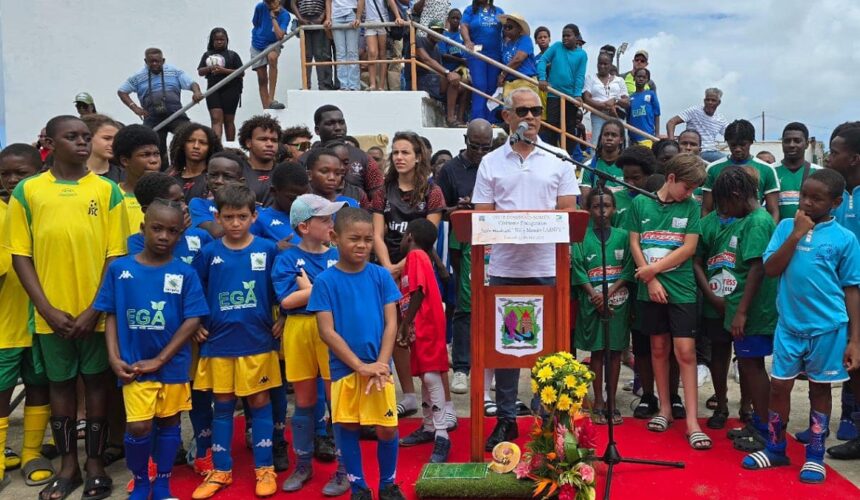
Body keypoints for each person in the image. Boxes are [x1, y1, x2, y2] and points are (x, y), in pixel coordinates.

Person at [4, 116, 128, 500]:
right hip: (50, 316)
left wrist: (95, 308)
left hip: (95, 313)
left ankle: (94, 465)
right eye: (70, 137)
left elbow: (115, 254)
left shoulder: (107, 191)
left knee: (96, 385)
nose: (81, 143)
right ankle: (67, 466)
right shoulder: (29, 191)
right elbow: (21, 254)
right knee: (59, 386)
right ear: (49, 142)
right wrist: (45, 308)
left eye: (85, 137)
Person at [471, 88, 579, 450]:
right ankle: (505, 419)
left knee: (550, 349)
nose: (530, 117)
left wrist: (530, 223)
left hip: (550, 268)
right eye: (522, 111)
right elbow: (481, 216)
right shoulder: (491, 162)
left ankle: (549, 419)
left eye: (536, 110)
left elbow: (567, 209)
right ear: (507, 117)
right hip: (505, 269)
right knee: (508, 350)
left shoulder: (558, 157)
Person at [741, 169, 860, 484]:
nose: (806, 202)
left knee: (820, 389)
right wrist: (795, 234)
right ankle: (776, 447)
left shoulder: (845, 239)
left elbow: (851, 289)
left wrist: (855, 340)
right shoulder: (784, 227)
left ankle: (815, 455)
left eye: (816, 198)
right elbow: (770, 269)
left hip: (828, 329)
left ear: (835, 203)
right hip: (789, 326)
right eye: (804, 195)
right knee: (780, 386)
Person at [95, 199, 208, 500]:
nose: (163, 237)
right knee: (140, 426)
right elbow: (111, 314)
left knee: (170, 422)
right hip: (133, 365)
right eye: (157, 229)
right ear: (143, 228)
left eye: (172, 231)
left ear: (179, 236)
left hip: (171, 365)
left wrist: (160, 358)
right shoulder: (121, 269)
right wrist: (113, 356)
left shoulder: (185, 273)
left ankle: (163, 484)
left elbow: (193, 318)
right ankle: (142, 480)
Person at [306, 207, 406, 500]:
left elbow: (391, 323)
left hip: (379, 371)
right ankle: (358, 486)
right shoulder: (325, 281)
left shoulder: (380, 276)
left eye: (367, 239)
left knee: (386, 428)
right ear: (335, 238)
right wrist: (359, 366)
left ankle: (387, 483)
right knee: (347, 426)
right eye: (354, 239)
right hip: (344, 370)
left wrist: (381, 364)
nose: (362, 245)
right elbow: (327, 332)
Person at [190, 185, 282, 499]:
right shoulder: (208, 253)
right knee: (223, 406)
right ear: (218, 216)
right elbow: (194, 292)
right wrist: (197, 324)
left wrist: (282, 315)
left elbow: (281, 288)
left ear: (253, 216)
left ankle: (265, 468)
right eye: (228, 217)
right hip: (218, 343)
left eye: (242, 216)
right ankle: (221, 470)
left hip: (257, 341)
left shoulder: (268, 250)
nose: (235, 223)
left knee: (259, 404)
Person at [625, 153, 711, 450]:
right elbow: (635, 242)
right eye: (687, 187)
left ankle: (692, 422)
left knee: (685, 352)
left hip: (682, 289)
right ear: (671, 178)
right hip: (650, 289)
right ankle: (664, 409)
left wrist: (654, 270)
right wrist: (649, 279)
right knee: (658, 348)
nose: (691, 194)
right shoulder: (640, 204)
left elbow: (689, 248)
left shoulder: (691, 208)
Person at [272, 194, 349, 494]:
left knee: (337, 402)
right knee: (303, 403)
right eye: (325, 219)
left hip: (331, 330)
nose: (332, 224)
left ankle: (343, 469)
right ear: (304, 227)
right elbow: (287, 300)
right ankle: (303, 465)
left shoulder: (336, 255)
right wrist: (319, 290)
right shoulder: (287, 259)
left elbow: (343, 293)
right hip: (299, 330)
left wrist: (310, 288)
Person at [694, 167, 776, 443]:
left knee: (753, 367)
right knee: (750, 366)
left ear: (737, 195)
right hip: (740, 309)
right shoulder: (750, 219)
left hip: (752, 312)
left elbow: (757, 269)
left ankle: (763, 429)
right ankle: (760, 427)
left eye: (724, 204)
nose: (723, 211)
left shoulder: (757, 221)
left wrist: (740, 312)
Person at [371, 132, 445, 418]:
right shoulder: (382, 192)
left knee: (422, 331)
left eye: (405, 152)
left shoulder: (432, 191)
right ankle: (409, 396)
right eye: (396, 152)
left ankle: (440, 406)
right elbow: (377, 233)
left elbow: (428, 237)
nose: (399, 157)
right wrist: (387, 266)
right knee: (395, 329)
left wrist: (401, 266)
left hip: (417, 267)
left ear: (418, 157)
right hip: (386, 268)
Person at [0, 144, 54, 490]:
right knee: (2, 390)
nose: (13, 180)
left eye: (22, 173)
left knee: (39, 387)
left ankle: (32, 451)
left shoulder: (46, 207)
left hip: (43, 322)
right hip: (4, 324)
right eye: (6, 174)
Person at [435, 119, 493, 394]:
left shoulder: (496, 165)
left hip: (494, 241)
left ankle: (491, 365)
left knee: (495, 305)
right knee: (463, 305)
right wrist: (455, 208)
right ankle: (461, 368)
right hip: (462, 243)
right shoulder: (450, 170)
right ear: (465, 139)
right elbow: (437, 207)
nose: (480, 152)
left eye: (486, 147)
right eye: (475, 146)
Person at [572, 190, 632, 426]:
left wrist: (609, 292)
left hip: (618, 302)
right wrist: (594, 294)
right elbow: (577, 267)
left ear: (614, 209)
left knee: (615, 350)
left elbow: (628, 267)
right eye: (597, 207)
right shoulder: (580, 238)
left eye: (607, 206)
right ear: (589, 210)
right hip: (591, 302)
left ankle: (612, 401)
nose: (603, 211)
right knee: (597, 351)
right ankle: (598, 401)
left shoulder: (624, 236)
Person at [395, 219, 451, 462]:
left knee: (430, 375)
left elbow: (419, 290)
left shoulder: (416, 256)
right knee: (424, 376)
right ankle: (429, 427)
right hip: (421, 325)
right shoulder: (417, 259)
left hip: (427, 323)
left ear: (409, 237)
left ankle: (442, 434)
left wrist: (406, 323)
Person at [824, 123, 860, 459]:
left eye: (835, 152)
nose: (829, 157)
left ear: (854, 158)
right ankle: (850, 422)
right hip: (836, 294)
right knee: (849, 361)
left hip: (856, 290)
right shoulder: (833, 195)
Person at [117, 48, 204, 158]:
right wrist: (135, 108)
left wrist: (196, 92)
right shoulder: (137, 77)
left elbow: (192, 84)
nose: (154, 64)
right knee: (152, 147)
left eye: (157, 61)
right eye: (151, 61)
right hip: (152, 118)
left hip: (175, 115)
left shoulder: (174, 71)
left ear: (163, 61)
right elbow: (122, 91)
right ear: (145, 61)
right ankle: (161, 172)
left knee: (190, 135)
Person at [702, 119, 780, 223]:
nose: (737, 149)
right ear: (727, 143)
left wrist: (768, 234)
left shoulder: (767, 169)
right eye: (733, 145)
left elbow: (773, 211)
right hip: (722, 233)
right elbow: (707, 209)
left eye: (743, 145)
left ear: (751, 142)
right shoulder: (713, 168)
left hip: (753, 230)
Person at [309, 105, 384, 197]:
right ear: (317, 130)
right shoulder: (305, 159)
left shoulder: (363, 158)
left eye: (341, 122)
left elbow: (378, 192)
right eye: (330, 123)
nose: (338, 128)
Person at [537, 23, 587, 157]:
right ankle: (553, 157)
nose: (565, 38)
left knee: (569, 130)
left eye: (568, 36)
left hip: (570, 98)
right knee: (552, 127)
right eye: (563, 35)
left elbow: (580, 76)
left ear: (576, 38)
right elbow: (542, 61)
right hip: (553, 96)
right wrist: (542, 78)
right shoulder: (557, 47)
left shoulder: (582, 55)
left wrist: (577, 95)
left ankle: (567, 159)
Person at [113, 124, 163, 236]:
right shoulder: (112, 196)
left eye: (156, 154)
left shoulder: (169, 196)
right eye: (146, 155)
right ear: (125, 161)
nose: (154, 160)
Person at [460, 0, 504, 121]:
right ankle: (477, 120)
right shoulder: (470, 10)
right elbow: (463, 26)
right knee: (480, 85)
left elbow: (506, 30)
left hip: (495, 55)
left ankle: (491, 121)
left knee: (492, 88)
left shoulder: (499, 11)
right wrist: (468, 41)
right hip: (477, 54)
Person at [416, 21, 466, 127]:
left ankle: (460, 120)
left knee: (466, 84)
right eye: (435, 30)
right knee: (452, 80)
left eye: (440, 31)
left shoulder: (437, 49)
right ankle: (450, 119)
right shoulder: (418, 40)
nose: (438, 33)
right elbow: (426, 59)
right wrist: (448, 73)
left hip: (434, 80)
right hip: (420, 80)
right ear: (428, 31)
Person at [198, 28, 244, 141]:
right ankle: (216, 145)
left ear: (226, 40)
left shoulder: (233, 55)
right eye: (216, 39)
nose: (219, 42)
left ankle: (230, 146)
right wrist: (210, 68)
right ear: (212, 41)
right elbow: (200, 71)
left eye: (222, 39)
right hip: (213, 90)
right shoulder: (207, 55)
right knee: (215, 119)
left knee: (228, 120)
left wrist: (223, 71)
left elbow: (241, 72)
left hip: (231, 89)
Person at [189, 151, 247, 238]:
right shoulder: (198, 204)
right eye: (214, 175)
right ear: (206, 179)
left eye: (227, 177)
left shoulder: (253, 209)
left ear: (241, 182)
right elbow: (216, 232)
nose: (219, 181)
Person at [251, 162, 308, 248]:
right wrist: (275, 249)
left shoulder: (310, 217)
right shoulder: (258, 219)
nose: (298, 203)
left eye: (303, 198)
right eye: (292, 198)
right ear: (273, 191)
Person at [666, 88, 728, 163]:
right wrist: (672, 143)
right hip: (697, 150)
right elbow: (671, 122)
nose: (710, 102)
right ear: (704, 100)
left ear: (718, 102)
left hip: (712, 151)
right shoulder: (695, 111)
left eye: (713, 100)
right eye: (707, 100)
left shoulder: (720, 119)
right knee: (728, 161)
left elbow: (731, 134)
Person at [774, 122, 821, 221]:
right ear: (782, 143)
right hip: (778, 233)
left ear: (807, 144)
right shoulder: (771, 171)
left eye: (797, 141)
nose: (791, 145)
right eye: (787, 141)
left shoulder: (819, 173)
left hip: (811, 233)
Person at [168, 123, 223, 203]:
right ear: (182, 145)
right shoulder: (170, 175)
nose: (196, 146)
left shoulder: (216, 180)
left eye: (203, 143)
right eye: (190, 141)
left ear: (210, 147)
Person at [251, 0, 290, 109]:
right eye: (267, 3)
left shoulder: (285, 15)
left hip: (273, 43)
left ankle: (271, 98)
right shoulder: (259, 7)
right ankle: (266, 107)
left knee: (272, 58)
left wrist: (273, 17)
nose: (270, 5)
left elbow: (279, 35)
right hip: (257, 44)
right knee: (262, 77)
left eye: (272, 2)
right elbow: (255, 23)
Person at [583, 52, 628, 142]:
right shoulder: (590, 78)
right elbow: (586, 98)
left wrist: (615, 100)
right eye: (600, 63)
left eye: (605, 64)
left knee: (619, 143)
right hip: (598, 114)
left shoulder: (619, 80)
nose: (602, 66)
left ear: (610, 65)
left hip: (616, 115)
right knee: (596, 142)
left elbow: (626, 102)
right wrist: (604, 106)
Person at [239, 115, 282, 207]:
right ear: (248, 143)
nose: (270, 144)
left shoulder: (285, 173)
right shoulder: (236, 171)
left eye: (274, 140)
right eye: (263, 139)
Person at [293, 0, 335, 90]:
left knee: (320, 55)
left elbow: (327, 3)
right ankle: (306, 85)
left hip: (319, 20)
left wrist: (321, 18)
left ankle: (323, 85)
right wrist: (300, 18)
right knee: (306, 55)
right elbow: (293, 3)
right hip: (303, 20)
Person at [364, 0, 405, 91]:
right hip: (369, 22)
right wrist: (358, 18)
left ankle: (381, 86)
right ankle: (373, 85)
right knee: (372, 53)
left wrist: (398, 17)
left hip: (383, 22)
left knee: (383, 54)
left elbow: (391, 1)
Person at [581, 119, 625, 200]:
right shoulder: (589, 166)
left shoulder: (627, 165)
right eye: (606, 134)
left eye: (614, 135)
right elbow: (585, 203)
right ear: (601, 137)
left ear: (621, 140)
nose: (609, 138)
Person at [497, 14, 538, 98]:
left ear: (519, 29)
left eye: (510, 27)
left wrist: (503, 74)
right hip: (509, 83)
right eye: (505, 27)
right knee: (509, 109)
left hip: (525, 81)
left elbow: (518, 59)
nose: (507, 29)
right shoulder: (506, 45)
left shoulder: (525, 39)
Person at [325, 0, 364, 92]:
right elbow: (328, 1)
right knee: (340, 53)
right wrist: (328, 18)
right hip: (336, 16)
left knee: (352, 52)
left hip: (351, 13)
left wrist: (358, 17)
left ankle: (354, 85)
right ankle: (343, 85)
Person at [82, 114, 124, 183]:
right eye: (107, 138)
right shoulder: (71, 175)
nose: (113, 144)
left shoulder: (125, 177)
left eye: (116, 139)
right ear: (88, 138)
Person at [627, 68, 660, 147]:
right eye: (639, 76)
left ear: (647, 80)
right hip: (633, 139)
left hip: (648, 137)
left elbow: (657, 114)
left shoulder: (651, 94)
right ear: (634, 78)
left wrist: (657, 134)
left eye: (644, 77)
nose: (641, 79)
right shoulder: (630, 98)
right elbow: (628, 118)